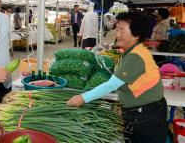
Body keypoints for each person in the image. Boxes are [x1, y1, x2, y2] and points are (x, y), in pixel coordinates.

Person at [67, 11, 167, 143]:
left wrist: (82, 98)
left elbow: (112, 85)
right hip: (146, 111)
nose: (117, 34)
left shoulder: (135, 56)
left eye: (122, 30)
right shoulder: (134, 50)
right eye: (117, 29)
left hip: (146, 115)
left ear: (136, 33)